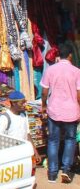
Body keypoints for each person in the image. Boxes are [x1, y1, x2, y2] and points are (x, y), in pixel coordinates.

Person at [41, 42, 80, 183]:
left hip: (54, 110)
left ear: (59, 55)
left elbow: (44, 92)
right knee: (70, 140)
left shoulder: (50, 70)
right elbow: (79, 94)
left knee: (53, 140)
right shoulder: (76, 71)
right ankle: (66, 170)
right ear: (70, 56)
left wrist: (44, 105)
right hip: (71, 111)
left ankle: (52, 174)